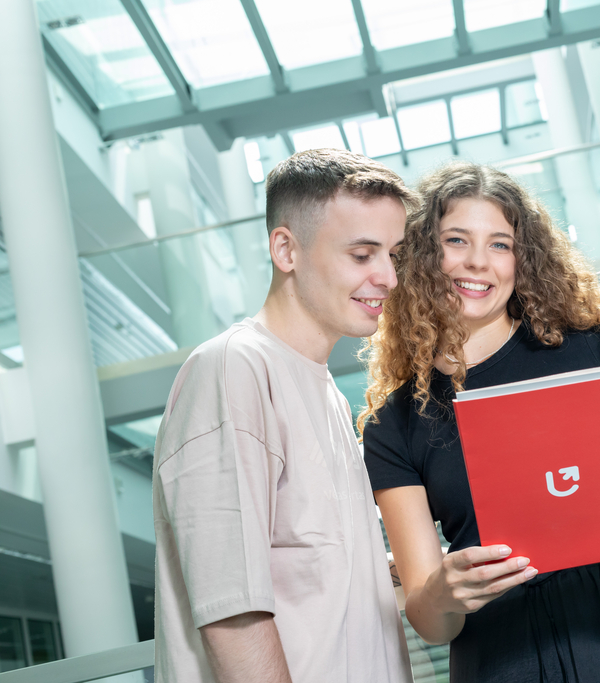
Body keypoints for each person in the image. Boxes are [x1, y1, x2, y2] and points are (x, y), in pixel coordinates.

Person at [358, 161, 600, 683]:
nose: (479, 263)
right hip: (502, 655)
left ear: (522, 258)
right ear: (421, 255)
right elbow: (430, 621)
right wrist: (444, 591)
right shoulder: (392, 424)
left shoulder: (592, 348)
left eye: (500, 244)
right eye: (456, 240)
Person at [152, 149, 416, 683]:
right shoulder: (232, 369)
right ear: (286, 250)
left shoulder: (329, 395)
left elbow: (310, 569)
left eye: (394, 254)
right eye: (363, 254)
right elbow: (232, 610)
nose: (388, 276)